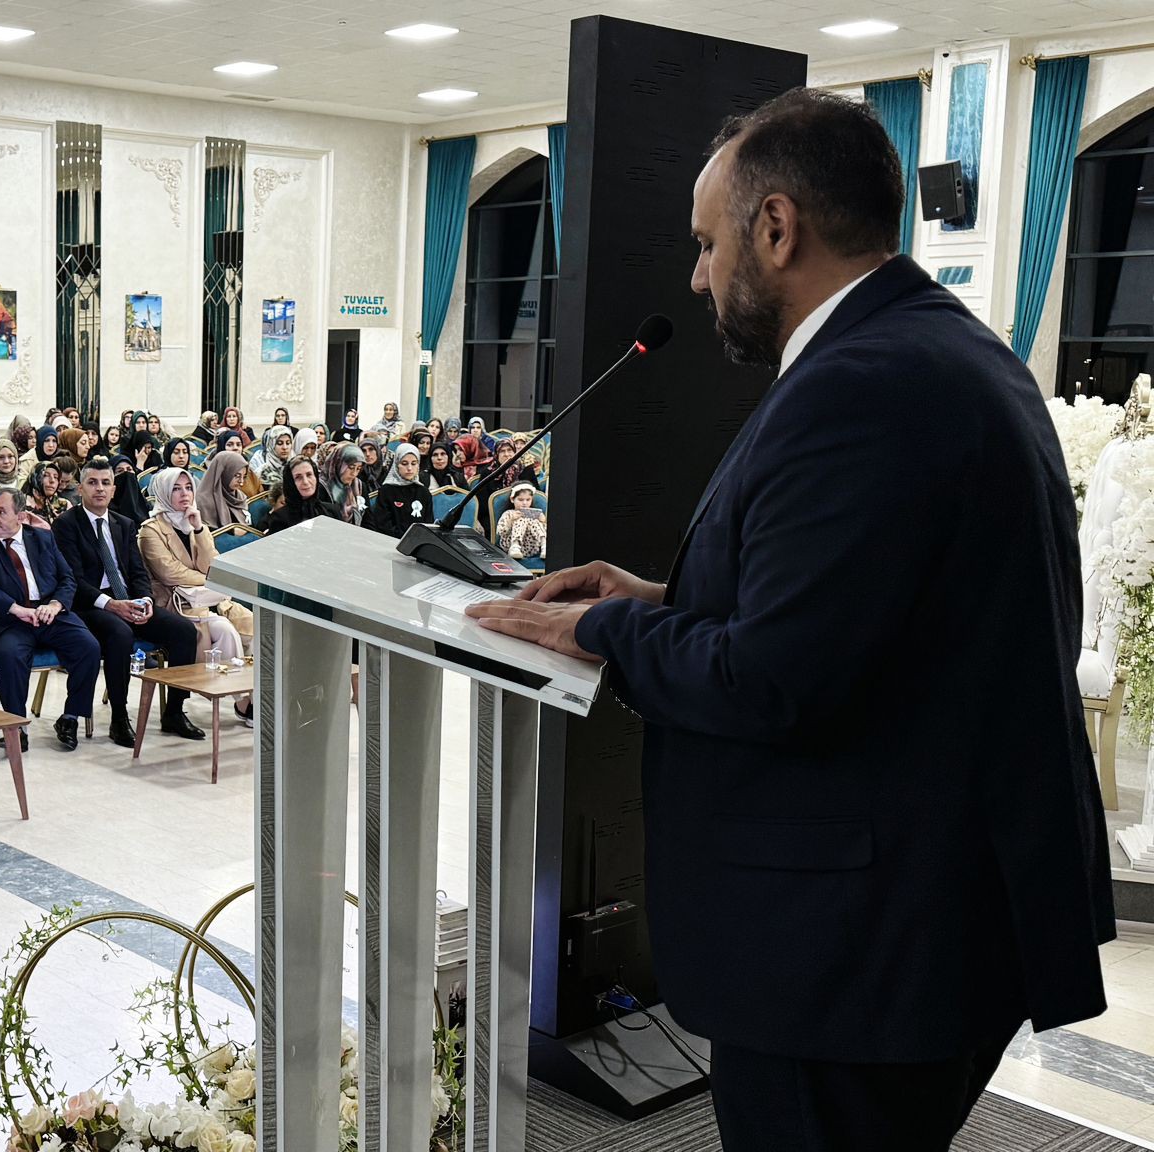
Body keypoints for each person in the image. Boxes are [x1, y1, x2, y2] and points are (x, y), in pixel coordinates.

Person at [465, 88, 1110, 1151]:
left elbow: (774, 681)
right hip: (912, 918)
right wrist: (664, 602)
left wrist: (596, 633)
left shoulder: (863, 385)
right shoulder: (938, 349)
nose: (696, 276)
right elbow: (873, 625)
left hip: (854, 952)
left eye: (707, 244)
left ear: (776, 227)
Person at [42, 459, 205, 749]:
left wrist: (145, 600)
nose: (100, 489)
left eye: (105, 483)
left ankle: (174, 712)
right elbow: (73, 579)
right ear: (80, 488)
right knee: (120, 633)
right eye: (92, 483)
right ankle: (119, 717)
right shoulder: (66, 525)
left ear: (114, 489)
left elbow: (138, 571)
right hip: (90, 605)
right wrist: (111, 605)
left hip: (129, 599)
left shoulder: (124, 524)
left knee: (185, 632)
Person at [0, 486, 98, 752]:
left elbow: (67, 578)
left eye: (2, 512)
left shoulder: (42, 539)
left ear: (21, 516)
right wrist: (16, 609)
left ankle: (70, 717)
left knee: (89, 646)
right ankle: (17, 727)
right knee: (10, 654)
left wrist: (56, 604)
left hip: (48, 613)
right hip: (8, 619)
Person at [139, 467, 253, 719]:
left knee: (256, 627)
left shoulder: (194, 522)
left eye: (188, 487)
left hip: (210, 600)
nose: (184, 494)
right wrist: (211, 582)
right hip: (176, 603)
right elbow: (170, 573)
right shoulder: (151, 530)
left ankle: (254, 696)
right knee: (225, 630)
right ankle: (241, 701)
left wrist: (199, 529)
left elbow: (212, 564)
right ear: (164, 492)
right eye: (176, 489)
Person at [362, 445, 432, 538]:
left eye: (414, 463)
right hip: (390, 541)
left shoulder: (424, 492)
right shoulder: (386, 490)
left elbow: (428, 524)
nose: (410, 468)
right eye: (404, 463)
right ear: (396, 465)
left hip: (418, 544)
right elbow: (383, 525)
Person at [263, 457, 335, 535]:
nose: (306, 482)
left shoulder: (332, 511)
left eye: (309, 475)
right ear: (290, 483)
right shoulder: (279, 519)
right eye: (298, 477)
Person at [194, 450, 253, 530]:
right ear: (222, 473)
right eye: (237, 476)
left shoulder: (239, 496)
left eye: (244, 477)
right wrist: (231, 531)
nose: (241, 482)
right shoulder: (203, 500)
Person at [493, 482, 546, 560]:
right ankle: (515, 546)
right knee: (521, 518)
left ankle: (544, 546)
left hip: (531, 545)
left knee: (535, 519)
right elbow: (500, 531)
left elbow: (544, 528)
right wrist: (511, 521)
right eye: (520, 500)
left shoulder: (534, 513)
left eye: (528, 500)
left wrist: (543, 521)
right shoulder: (509, 513)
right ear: (512, 499)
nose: (524, 503)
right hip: (509, 543)